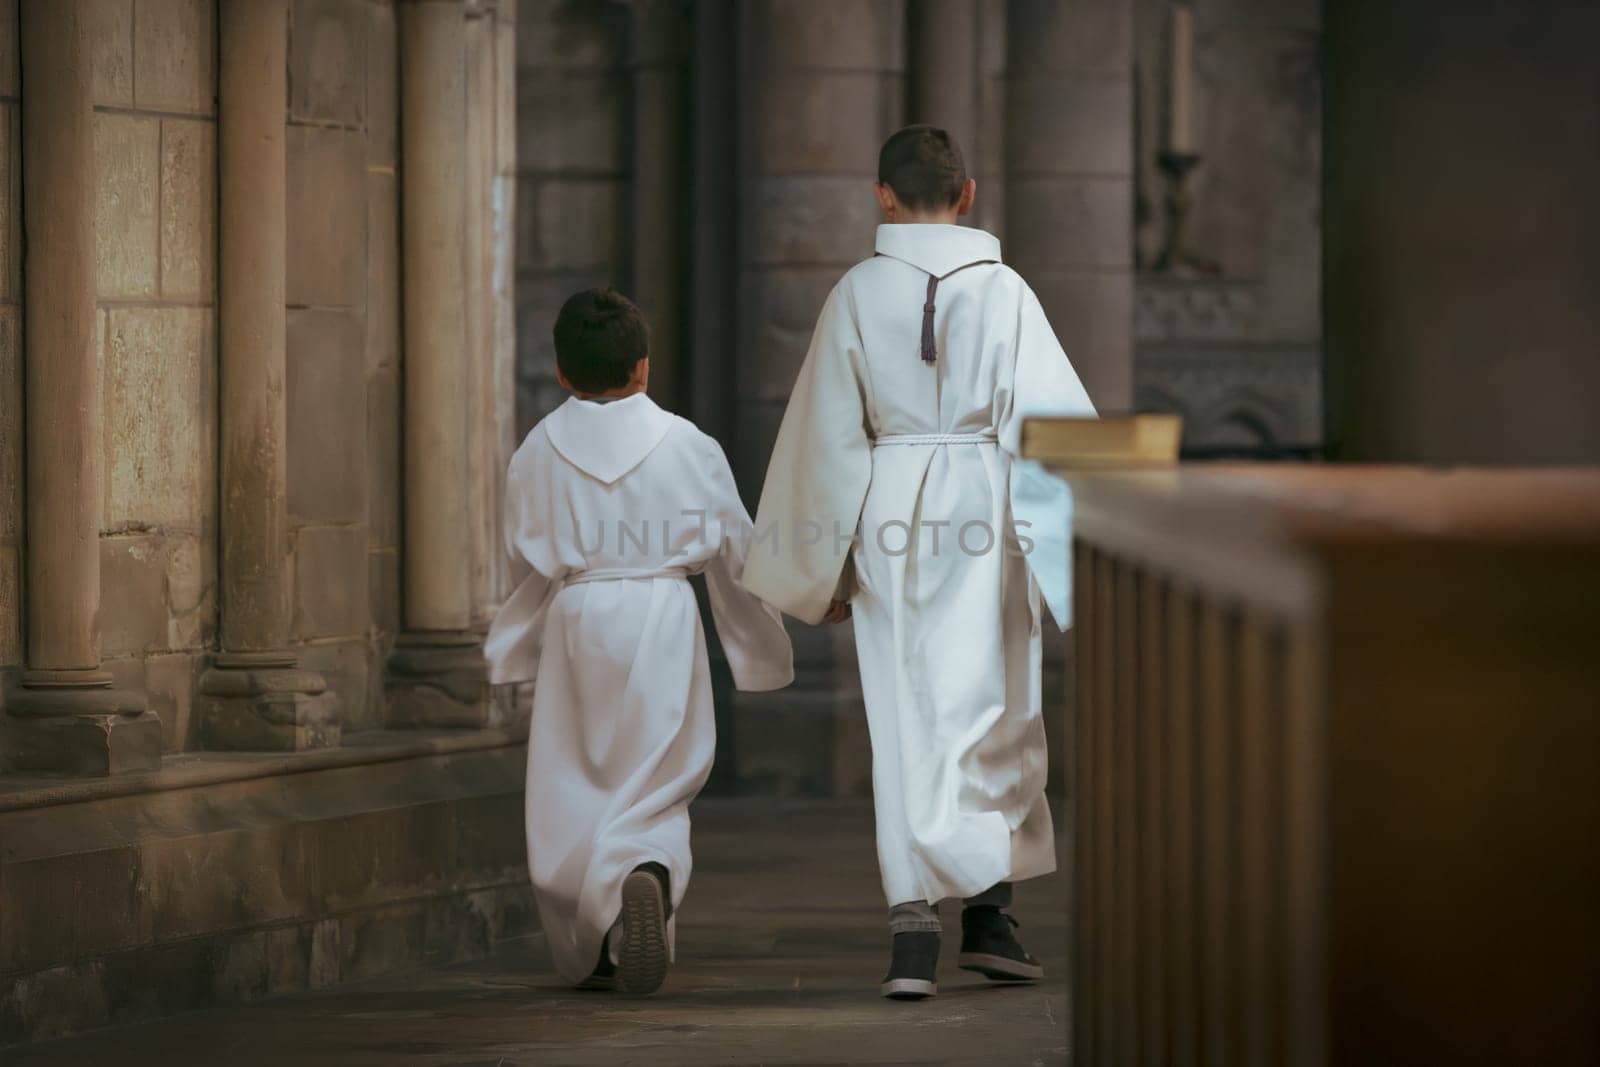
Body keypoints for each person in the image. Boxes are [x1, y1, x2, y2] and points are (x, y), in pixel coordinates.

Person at [743, 125, 1097, 1000]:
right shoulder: (1007, 292)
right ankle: (991, 913)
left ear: (883, 196)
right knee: (995, 704)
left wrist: (815, 564)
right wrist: (1087, 554)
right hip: (986, 504)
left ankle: (914, 933)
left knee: (906, 718)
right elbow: (1054, 425)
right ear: (968, 194)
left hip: (891, 508)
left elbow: (826, 434)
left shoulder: (857, 291)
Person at [486, 287, 794, 995]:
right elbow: (739, 549)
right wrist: (788, 610)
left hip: (577, 613)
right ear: (644, 368)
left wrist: (519, 634)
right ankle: (646, 869)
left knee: (571, 779)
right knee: (655, 775)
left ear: (563, 373)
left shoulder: (536, 450)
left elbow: (520, 551)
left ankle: (592, 942)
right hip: (662, 613)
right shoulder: (689, 444)